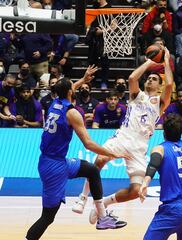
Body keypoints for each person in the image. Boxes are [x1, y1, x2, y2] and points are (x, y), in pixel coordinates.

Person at [25, 68, 129, 240]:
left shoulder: (54, 102)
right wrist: (113, 153)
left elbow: (67, 89)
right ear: (70, 92)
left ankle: (102, 218)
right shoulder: (72, 113)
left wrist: (83, 79)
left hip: (55, 161)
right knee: (48, 216)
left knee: (92, 170)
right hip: (54, 168)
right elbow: (88, 144)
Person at [73, 48, 174, 223]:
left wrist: (165, 62)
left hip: (139, 148)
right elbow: (132, 78)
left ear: (159, 86)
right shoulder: (137, 95)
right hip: (123, 138)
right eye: (149, 78)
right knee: (99, 161)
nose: (150, 79)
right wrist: (150, 62)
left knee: (136, 191)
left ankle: (104, 203)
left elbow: (171, 85)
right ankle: (82, 197)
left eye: (154, 78)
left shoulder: (160, 102)